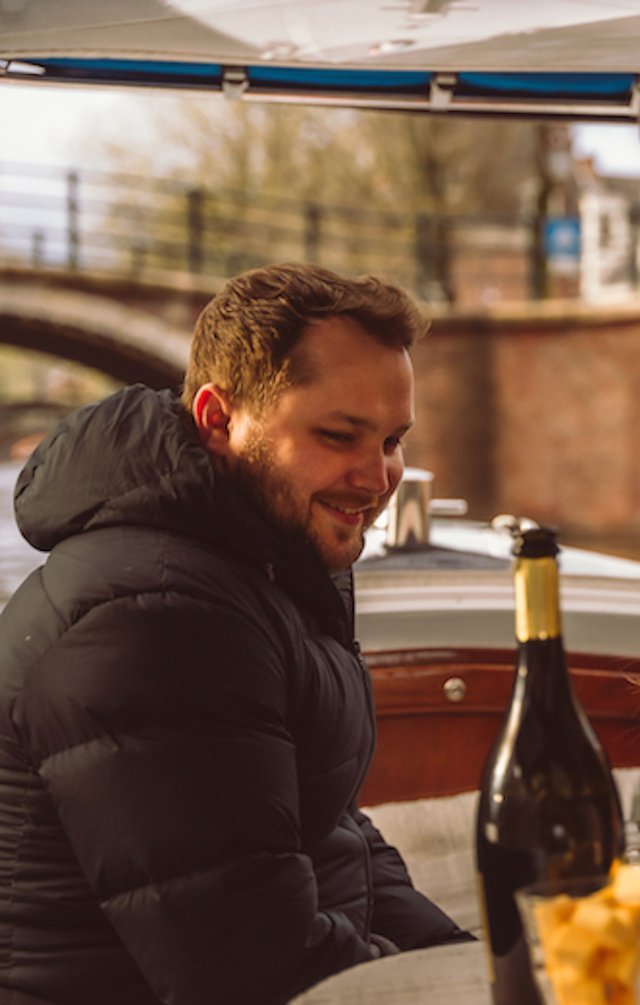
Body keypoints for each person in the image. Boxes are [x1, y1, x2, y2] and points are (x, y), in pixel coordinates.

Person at [0, 263, 469, 1004]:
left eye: (391, 440)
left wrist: (475, 964)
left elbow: (334, 835)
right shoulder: (158, 620)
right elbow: (251, 965)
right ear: (218, 420)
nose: (380, 477)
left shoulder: (268, 558)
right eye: (340, 435)